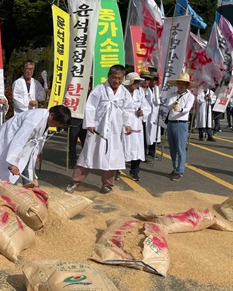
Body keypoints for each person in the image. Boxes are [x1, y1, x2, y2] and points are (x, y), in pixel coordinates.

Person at [65, 65, 134, 194]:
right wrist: (90, 123)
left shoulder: (124, 93)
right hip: (97, 130)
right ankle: (75, 182)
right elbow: (90, 107)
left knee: (112, 158)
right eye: (114, 78)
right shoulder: (99, 89)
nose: (116, 81)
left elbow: (128, 110)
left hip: (114, 131)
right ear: (109, 76)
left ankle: (107, 184)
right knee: (88, 156)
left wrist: (127, 124)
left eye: (119, 78)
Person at [0, 105, 71, 184]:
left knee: (25, 166)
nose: (56, 127)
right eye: (56, 124)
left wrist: (36, 153)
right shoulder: (35, 119)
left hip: (23, 145)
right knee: (4, 171)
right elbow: (18, 141)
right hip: (10, 141)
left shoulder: (45, 118)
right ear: (52, 115)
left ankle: (26, 185)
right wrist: (13, 162)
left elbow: (39, 139)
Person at [163, 73, 196, 181]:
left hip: (181, 123)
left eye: (184, 84)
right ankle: (175, 168)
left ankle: (180, 171)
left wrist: (180, 109)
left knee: (180, 149)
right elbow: (167, 107)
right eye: (179, 83)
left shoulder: (190, 96)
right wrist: (172, 106)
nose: (181, 85)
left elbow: (187, 109)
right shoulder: (172, 94)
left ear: (187, 85)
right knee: (173, 148)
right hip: (171, 122)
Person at [123, 72, 150, 181]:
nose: (137, 84)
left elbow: (147, 106)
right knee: (121, 147)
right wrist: (125, 123)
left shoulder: (139, 93)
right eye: (135, 82)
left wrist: (142, 112)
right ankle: (115, 171)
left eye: (138, 82)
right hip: (124, 123)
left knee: (137, 148)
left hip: (137, 123)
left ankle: (134, 171)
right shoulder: (122, 92)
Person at [145, 70, 161, 158]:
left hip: (155, 114)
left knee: (154, 133)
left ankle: (152, 151)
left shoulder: (158, 89)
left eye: (155, 80)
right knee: (146, 133)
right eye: (152, 79)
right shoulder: (145, 89)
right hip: (147, 115)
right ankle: (145, 152)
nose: (153, 81)